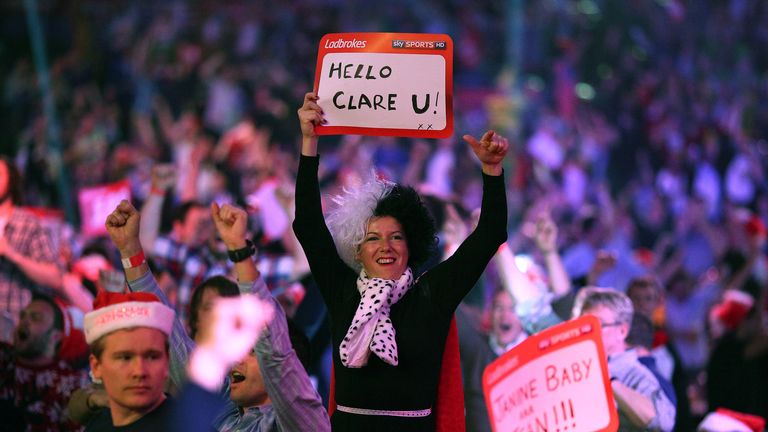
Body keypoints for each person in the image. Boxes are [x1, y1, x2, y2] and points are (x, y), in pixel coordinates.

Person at [294, 92, 508, 431]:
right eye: (373, 238)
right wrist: (309, 143)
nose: (386, 247)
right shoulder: (342, 292)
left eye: (396, 237)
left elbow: (490, 235)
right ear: (357, 250)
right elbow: (308, 225)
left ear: (411, 246)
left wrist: (492, 171)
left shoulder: (431, 295)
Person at [106, 199, 330, 431]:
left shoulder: (298, 420)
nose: (236, 359)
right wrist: (130, 251)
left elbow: (275, 351)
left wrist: (239, 251)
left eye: (251, 352)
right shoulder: (224, 411)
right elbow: (168, 333)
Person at [573, 287, 676, 432]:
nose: (586, 333)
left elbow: (663, 421)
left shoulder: (635, 375)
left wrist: (609, 381)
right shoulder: (574, 372)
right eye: (582, 326)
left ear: (622, 331)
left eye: (596, 326)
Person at [0, 293, 90, 431]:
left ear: (55, 336)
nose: (24, 321)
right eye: (23, 316)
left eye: (36, 318)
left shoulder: (73, 384)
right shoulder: (4, 357)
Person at [0, 156, 64, 324]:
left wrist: (12, 254)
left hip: (14, 327)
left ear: (11, 180)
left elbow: (55, 277)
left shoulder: (28, 224)